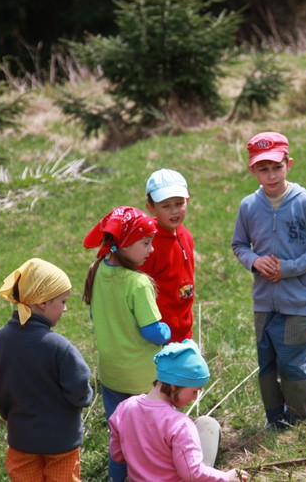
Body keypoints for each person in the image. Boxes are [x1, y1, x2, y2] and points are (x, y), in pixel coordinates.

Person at [231, 131, 306, 429]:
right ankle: (275, 419)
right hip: (264, 302)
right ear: (253, 170)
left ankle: (303, 414)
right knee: (268, 365)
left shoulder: (305, 202)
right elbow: (239, 245)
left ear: (289, 163)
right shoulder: (248, 206)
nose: (271, 175)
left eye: (277, 167)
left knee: (293, 364)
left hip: (299, 301)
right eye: (263, 169)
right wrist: (254, 261)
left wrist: (287, 268)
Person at [0, 258, 93, 482]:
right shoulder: (59, 347)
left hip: (21, 440)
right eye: (62, 301)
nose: (65, 308)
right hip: (62, 443)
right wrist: (83, 399)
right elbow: (80, 390)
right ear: (42, 302)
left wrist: (10, 413)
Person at [82, 205, 172, 482]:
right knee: (148, 437)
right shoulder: (139, 283)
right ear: (124, 244)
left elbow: (96, 314)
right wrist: (167, 330)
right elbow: (152, 333)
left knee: (119, 435)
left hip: (110, 375)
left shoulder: (97, 270)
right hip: (141, 380)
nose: (151, 249)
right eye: (145, 243)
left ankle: (117, 478)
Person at [109, 340, 248, 482]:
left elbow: (117, 455)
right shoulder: (180, 425)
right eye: (194, 391)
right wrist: (226, 477)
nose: (195, 398)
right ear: (174, 386)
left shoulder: (124, 408)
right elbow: (192, 473)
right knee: (208, 424)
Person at [140, 169, 196, 342]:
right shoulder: (148, 244)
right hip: (159, 334)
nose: (174, 211)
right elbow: (139, 288)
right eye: (165, 206)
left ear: (187, 200)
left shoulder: (186, 235)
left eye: (179, 203)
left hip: (184, 331)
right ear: (151, 208)